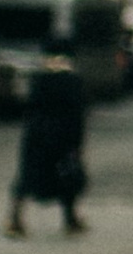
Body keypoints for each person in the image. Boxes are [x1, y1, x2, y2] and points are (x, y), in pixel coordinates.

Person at [8, 49, 89, 238]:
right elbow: (78, 114)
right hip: (63, 135)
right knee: (66, 175)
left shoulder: (38, 79)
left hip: (37, 135)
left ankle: (14, 220)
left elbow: (27, 106)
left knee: (27, 176)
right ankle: (71, 220)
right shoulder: (73, 81)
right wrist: (78, 145)